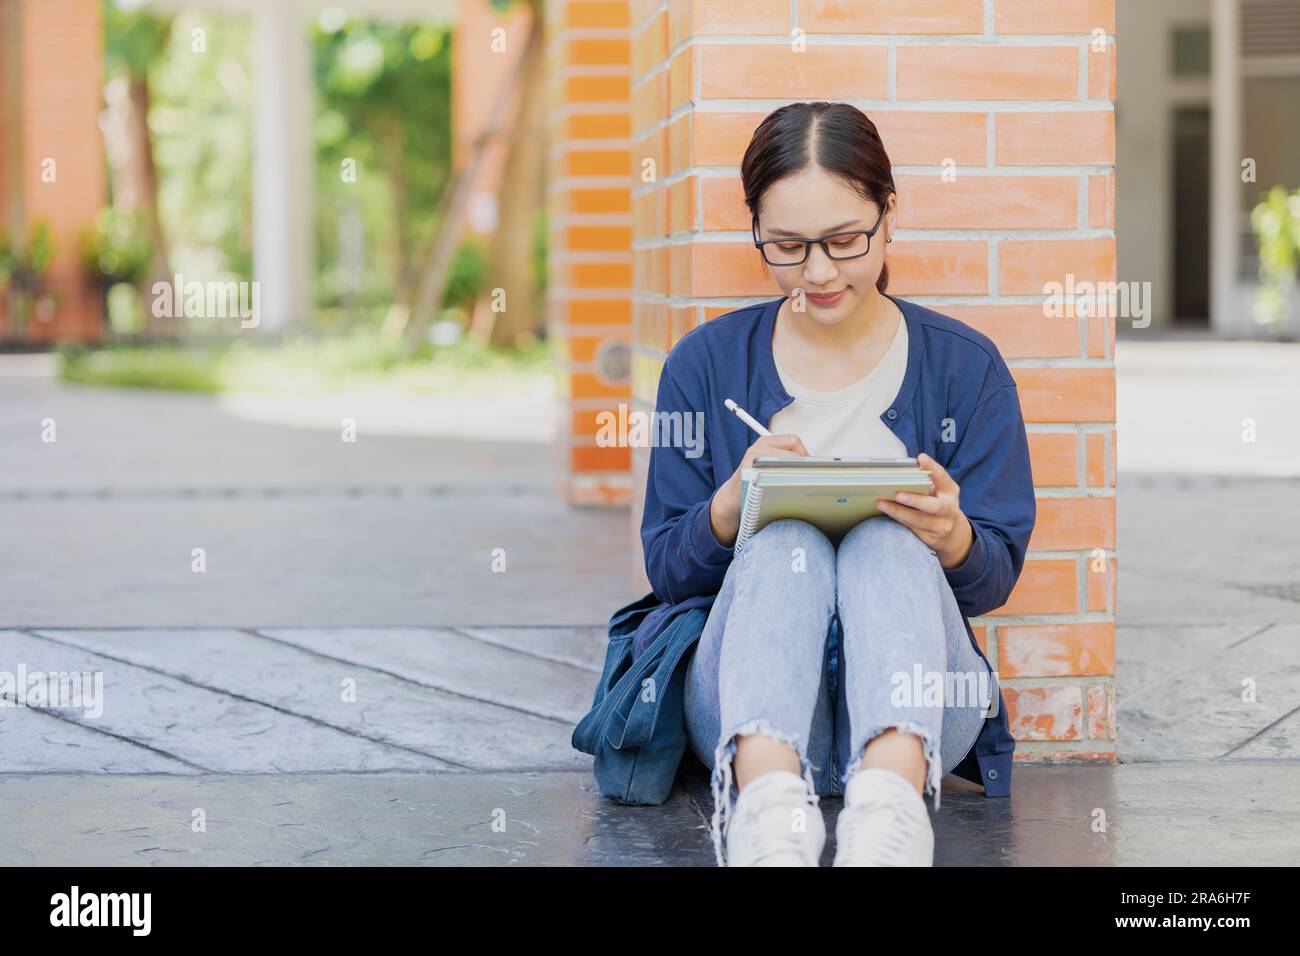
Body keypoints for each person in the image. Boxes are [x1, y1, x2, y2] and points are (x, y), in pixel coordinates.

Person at [634, 101, 1036, 866]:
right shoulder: (704, 366)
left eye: (845, 241)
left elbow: (994, 577)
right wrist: (729, 507)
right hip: (747, 705)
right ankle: (766, 820)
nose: (817, 273)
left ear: (890, 216)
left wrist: (953, 538)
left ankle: (887, 821)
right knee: (785, 538)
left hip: (919, 710)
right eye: (785, 246)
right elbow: (667, 569)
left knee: (887, 534)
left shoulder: (965, 367)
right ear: (753, 227)